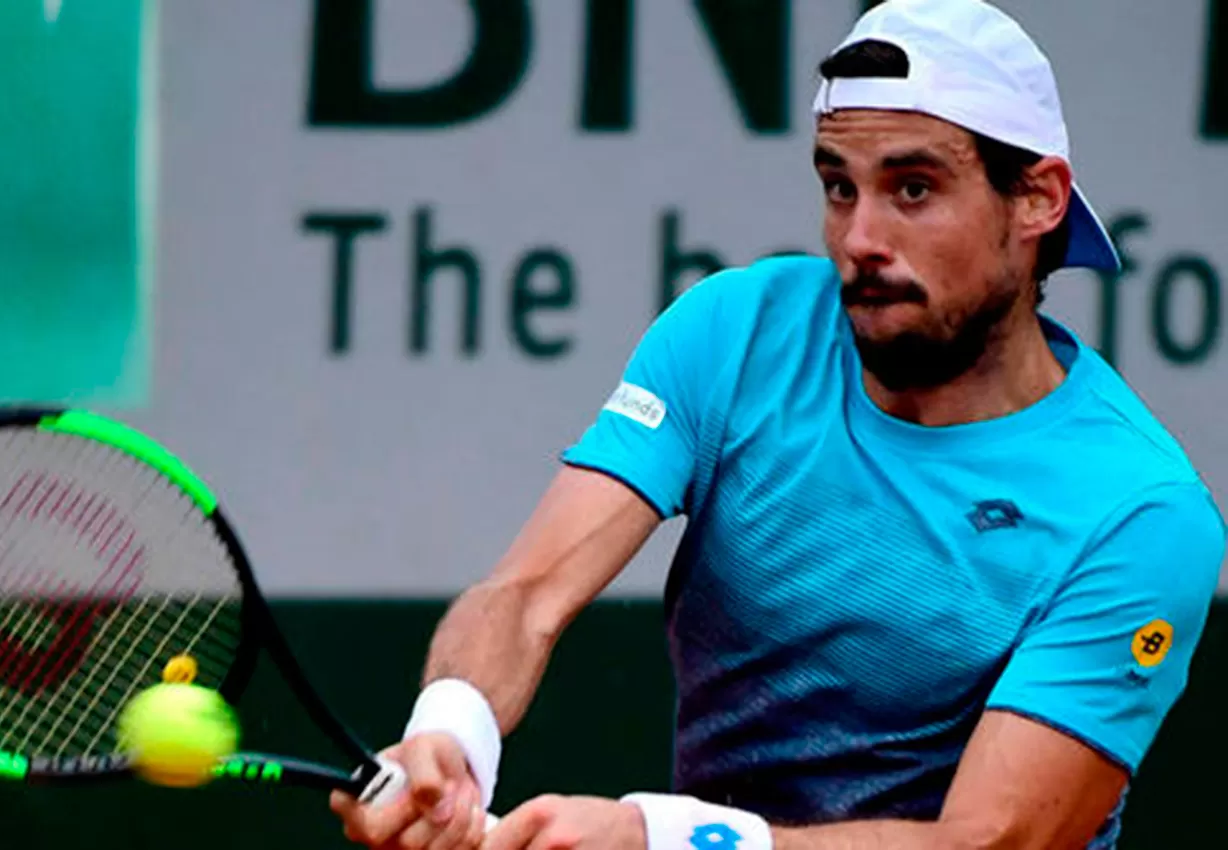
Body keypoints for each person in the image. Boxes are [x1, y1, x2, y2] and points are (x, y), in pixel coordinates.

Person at [330, 1, 1226, 848]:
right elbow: (526, 595)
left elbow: (993, 838)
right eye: (840, 188)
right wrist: (450, 735)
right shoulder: (734, 332)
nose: (860, 238)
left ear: (1038, 199)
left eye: (914, 189)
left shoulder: (1139, 513)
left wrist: (667, 836)